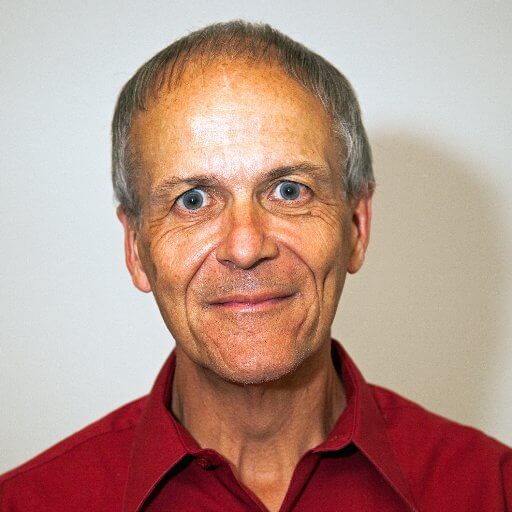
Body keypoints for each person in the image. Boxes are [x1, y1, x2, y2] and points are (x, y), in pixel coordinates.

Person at [1, 20, 510, 512]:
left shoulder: (495, 491)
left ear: (356, 226)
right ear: (136, 247)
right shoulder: (26, 503)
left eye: (289, 191)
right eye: (193, 200)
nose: (245, 247)